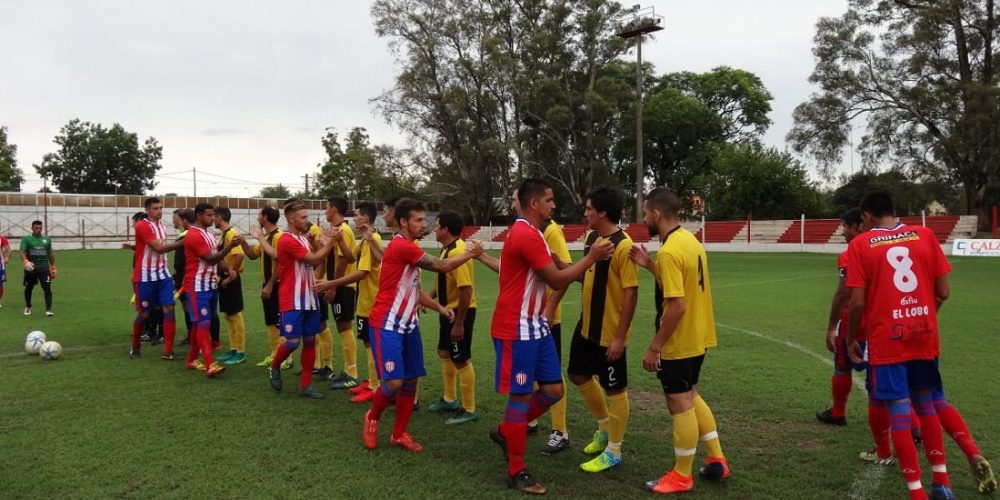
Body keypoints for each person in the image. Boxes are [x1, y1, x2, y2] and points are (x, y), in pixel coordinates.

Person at [846, 189, 994, 499]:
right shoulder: (925, 236)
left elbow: (857, 304)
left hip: (888, 341)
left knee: (900, 416)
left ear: (867, 217)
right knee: (927, 408)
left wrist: (852, 339)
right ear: (894, 210)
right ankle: (942, 483)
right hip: (923, 335)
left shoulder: (861, 244)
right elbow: (943, 292)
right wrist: (924, 317)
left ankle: (916, 493)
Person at [474, 179, 612, 495]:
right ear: (534, 203)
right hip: (516, 329)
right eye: (549, 200)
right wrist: (590, 259)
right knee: (521, 396)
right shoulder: (524, 233)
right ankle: (516, 470)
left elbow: (563, 266)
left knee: (553, 389)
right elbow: (555, 277)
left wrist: (597, 263)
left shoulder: (535, 233)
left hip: (536, 327)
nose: (553, 205)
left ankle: (507, 431)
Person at [629, 187, 729, 495]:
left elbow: (677, 304)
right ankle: (716, 460)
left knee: (679, 403)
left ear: (657, 214)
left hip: (679, 340)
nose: (644, 218)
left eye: (645, 213)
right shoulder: (690, 242)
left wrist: (655, 345)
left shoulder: (670, 250)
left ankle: (682, 475)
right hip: (698, 335)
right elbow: (682, 283)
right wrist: (649, 265)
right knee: (691, 394)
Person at [362, 198, 482, 452]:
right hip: (387, 324)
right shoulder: (402, 246)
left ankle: (399, 434)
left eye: (424, 219)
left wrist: (438, 306)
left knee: (411, 381)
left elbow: (412, 289)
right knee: (394, 382)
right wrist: (472, 253)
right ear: (403, 222)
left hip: (408, 326)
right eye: (417, 220)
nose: (423, 224)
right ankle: (372, 416)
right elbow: (441, 266)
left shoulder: (410, 247)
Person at [568, 187, 638, 473]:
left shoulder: (624, 245)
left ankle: (614, 451)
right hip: (586, 326)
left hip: (610, 332)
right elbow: (586, 275)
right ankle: (605, 428)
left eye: (588, 209)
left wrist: (620, 337)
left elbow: (631, 292)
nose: (584, 213)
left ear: (603, 212)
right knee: (577, 373)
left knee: (616, 389)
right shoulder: (592, 238)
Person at [266, 200, 339, 399]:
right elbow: (314, 260)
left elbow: (317, 262)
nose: (307, 221)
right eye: (303, 217)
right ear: (291, 219)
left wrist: (323, 244)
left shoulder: (303, 239)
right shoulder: (286, 239)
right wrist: (330, 242)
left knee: (309, 341)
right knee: (292, 342)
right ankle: (274, 367)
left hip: (309, 297)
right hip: (292, 298)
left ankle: (305, 385)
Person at [312, 202, 382, 401]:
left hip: (354, 290)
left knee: (349, 329)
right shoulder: (353, 235)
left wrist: (332, 284)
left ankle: (355, 376)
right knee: (362, 337)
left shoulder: (363, 235)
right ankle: (368, 381)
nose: (355, 217)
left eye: (358, 214)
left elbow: (352, 264)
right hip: (354, 291)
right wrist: (332, 241)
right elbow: (350, 256)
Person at [425, 211, 479, 425]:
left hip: (459, 314)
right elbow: (445, 279)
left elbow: (465, 290)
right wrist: (428, 299)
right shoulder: (447, 249)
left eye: (437, 225)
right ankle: (450, 399)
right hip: (447, 311)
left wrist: (459, 323)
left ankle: (469, 408)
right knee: (444, 351)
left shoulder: (458, 250)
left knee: (461, 358)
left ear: (445, 229)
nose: (434, 228)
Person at [182, 203, 241, 378]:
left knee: (199, 322)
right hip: (196, 285)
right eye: (209, 215)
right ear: (199, 215)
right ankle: (210, 363)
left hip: (209, 284)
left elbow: (216, 258)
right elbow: (209, 258)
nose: (213, 218)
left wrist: (228, 269)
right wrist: (229, 248)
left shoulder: (209, 234)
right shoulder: (194, 235)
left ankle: (191, 359)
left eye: (213, 215)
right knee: (203, 323)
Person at [536, 208, 574, 454]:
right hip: (531, 318)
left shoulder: (551, 232)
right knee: (532, 371)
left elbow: (567, 271)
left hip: (547, 319)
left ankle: (560, 431)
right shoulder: (534, 232)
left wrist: (550, 307)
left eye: (515, 199)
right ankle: (531, 419)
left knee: (552, 374)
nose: (511, 203)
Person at [129, 198, 183, 359]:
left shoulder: (162, 226)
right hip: (146, 276)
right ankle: (135, 347)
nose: (159, 211)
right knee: (145, 313)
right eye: (155, 208)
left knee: (169, 308)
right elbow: (159, 248)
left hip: (163, 275)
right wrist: (184, 242)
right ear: (147, 210)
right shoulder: (142, 226)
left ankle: (168, 351)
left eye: (160, 208)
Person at [316, 195, 360, 388]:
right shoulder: (336, 230)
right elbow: (330, 256)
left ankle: (352, 372)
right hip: (338, 284)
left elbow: (344, 259)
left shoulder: (344, 230)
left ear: (333, 209)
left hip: (343, 286)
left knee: (344, 326)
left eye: (326, 207)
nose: (325, 211)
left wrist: (333, 285)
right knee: (342, 327)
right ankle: (346, 370)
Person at [242, 206, 292, 370]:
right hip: (268, 284)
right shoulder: (266, 237)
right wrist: (243, 242)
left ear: (265, 217)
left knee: (279, 322)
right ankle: (274, 355)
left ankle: (286, 359)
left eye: (259, 215)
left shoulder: (278, 236)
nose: (257, 218)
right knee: (271, 321)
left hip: (277, 284)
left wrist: (270, 284)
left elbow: (281, 262)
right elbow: (252, 255)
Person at [213, 207, 248, 365]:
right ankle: (233, 349)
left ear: (219, 217)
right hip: (224, 278)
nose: (212, 219)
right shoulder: (225, 234)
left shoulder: (232, 233)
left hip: (230, 278)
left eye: (214, 217)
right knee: (228, 315)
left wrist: (232, 272)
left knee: (235, 314)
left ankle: (240, 352)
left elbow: (239, 254)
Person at [19, 220, 55, 316]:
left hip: (44, 268)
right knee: (29, 288)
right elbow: (22, 252)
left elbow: (50, 253)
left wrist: (53, 266)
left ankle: (48, 309)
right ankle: (28, 306)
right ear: (32, 228)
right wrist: (25, 261)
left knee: (47, 288)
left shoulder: (47, 239)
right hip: (31, 268)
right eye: (36, 228)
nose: (38, 230)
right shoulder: (26, 239)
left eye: (40, 228)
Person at [0, 227, 11, 307]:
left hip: (0, 265)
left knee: (0, 284)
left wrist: (7, 257)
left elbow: (8, 249)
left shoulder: (2, 239)